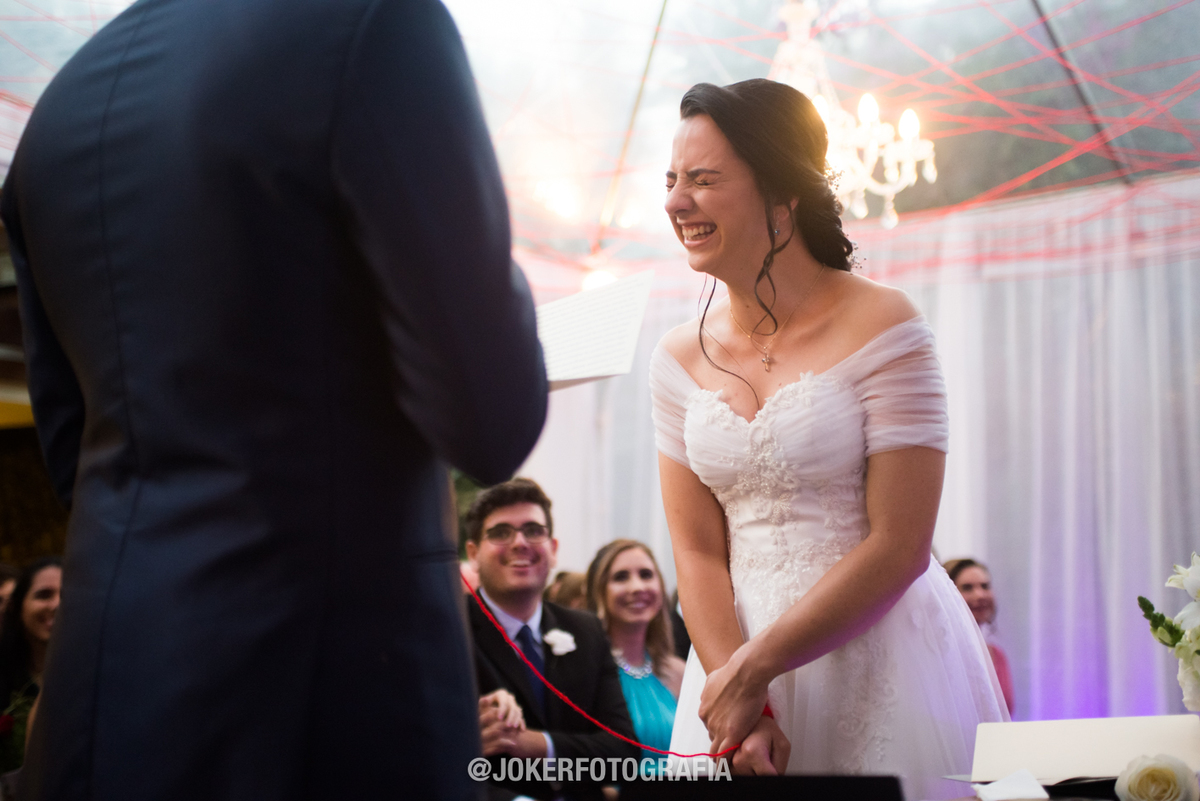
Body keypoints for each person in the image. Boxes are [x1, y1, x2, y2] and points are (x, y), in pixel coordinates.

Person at [0, 0, 548, 796]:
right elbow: (492, 417)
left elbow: (70, 455)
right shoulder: (377, 24)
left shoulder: (61, 107)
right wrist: (481, 245)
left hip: (105, 698)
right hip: (327, 705)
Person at [650, 79, 1007, 799]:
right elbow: (695, 548)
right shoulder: (675, 357)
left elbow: (902, 542)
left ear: (782, 193)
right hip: (730, 657)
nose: (676, 203)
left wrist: (761, 666)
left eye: (704, 180)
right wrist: (739, 696)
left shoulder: (885, 324)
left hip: (875, 651)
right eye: (672, 181)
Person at [464, 478, 638, 801]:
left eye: (533, 530)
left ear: (553, 549)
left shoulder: (585, 631)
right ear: (473, 553)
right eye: (501, 532)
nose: (520, 543)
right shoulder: (453, 632)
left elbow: (624, 755)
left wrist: (537, 745)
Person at [586, 540, 685, 763]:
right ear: (599, 591)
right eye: (621, 577)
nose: (637, 587)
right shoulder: (588, 671)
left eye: (646, 575)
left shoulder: (679, 672)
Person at [0, 558, 61, 774]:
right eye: (44, 595)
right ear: (17, 608)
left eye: (67, 596)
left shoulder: (103, 680)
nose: (57, 604)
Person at [945, 558, 1015, 715]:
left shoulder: (998, 656)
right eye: (967, 588)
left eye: (985, 586)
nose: (980, 595)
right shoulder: (942, 655)